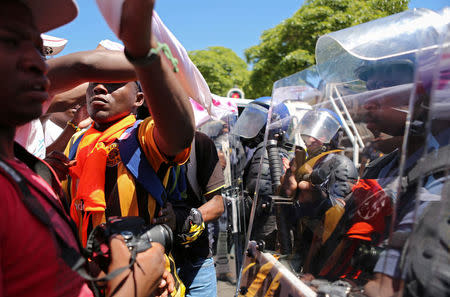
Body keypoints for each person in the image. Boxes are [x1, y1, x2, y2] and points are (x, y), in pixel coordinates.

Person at [0, 0, 172, 297]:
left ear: (139, 101)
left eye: (39, 49)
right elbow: (84, 67)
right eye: (10, 41)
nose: (40, 63)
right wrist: (137, 282)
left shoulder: (20, 173)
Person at [173, 131, 225, 297]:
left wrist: (183, 219)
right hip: (156, 262)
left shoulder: (200, 143)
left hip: (197, 259)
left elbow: (218, 204)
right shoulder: (134, 141)